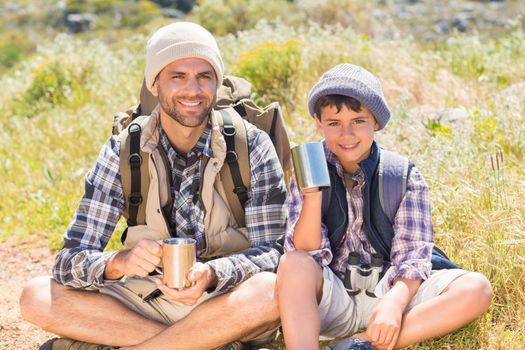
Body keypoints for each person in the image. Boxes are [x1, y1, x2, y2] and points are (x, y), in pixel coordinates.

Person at [20, 22, 287, 350]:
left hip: (226, 300)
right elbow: (68, 259)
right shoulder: (123, 148)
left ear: (216, 84)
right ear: (155, 84)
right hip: (147, 301)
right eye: (178, 76)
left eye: (204, 76)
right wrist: (117, 263)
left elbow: (276, 253)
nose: (193, 90)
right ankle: (203, 344)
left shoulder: (251, 145)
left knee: (271, 290)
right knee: (35, 296)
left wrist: (214, 274)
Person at [276, 64, 492, 350]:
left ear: (375, 122)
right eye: (334, 123)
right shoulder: (310, 168)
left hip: (391, 290)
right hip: (335, 296)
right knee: (292, 263)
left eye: (358, 121)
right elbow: (305, 251)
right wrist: (313, 196)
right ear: (318, 122)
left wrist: (393, 303)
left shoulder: (402, 174)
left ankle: (360, 346)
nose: (347, 134)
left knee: (476, 289)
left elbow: (413, 256)